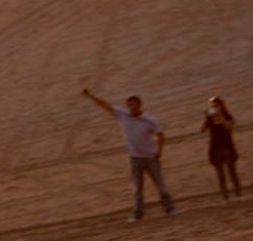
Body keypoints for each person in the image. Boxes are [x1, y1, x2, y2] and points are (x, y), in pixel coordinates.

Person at [83, 89, 176, 221]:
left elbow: (160, 135)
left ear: (140, 105)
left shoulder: (148, 120)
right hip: (135, 158)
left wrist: (159, 151)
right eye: (130, 105)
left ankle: (169, 208)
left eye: (134, 105)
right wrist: (91, 96)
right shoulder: (123, 115)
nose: (132, 107)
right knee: (137, 188)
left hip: (150, 157)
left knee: (160, 185)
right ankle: (138, 214)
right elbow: (106, 105)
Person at [199, 97, 243, 198]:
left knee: (232, 171)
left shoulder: (227, 116)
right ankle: (225, 194)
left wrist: (221, 118)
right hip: (215, 148)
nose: (215, 108)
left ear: (221, 106)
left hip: (227, 146)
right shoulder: (210, 118)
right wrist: (206, 118)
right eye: (213, 106)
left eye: (216, 105)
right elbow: (202, 130)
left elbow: (230, 128)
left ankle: (238, 192)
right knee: (220, 174)